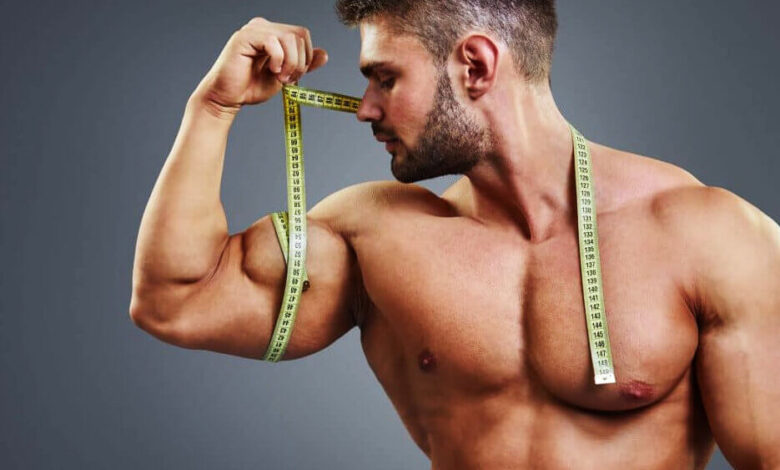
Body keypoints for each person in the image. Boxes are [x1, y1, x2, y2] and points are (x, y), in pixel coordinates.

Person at [129, 1, 780, 468]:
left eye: (385, 77)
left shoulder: (705, 235)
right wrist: (212, 107)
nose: (366, 109)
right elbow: (175, 301)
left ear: (474, 65)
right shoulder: (375, 237)